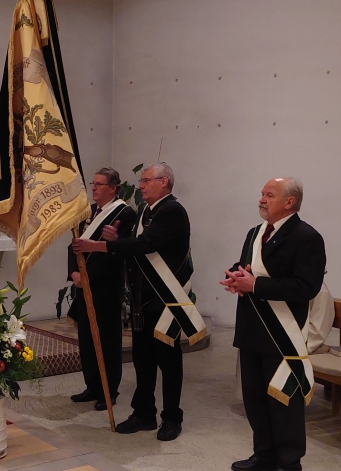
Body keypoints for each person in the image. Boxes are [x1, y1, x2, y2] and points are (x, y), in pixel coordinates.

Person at [73, 163, 204, 441]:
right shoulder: (146, 210)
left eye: (146, 180)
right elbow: (135, 244)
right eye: (141, 181)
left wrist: (101, 245)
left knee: (168, 362)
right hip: (142, 300)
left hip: (164, 300)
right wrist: (116, 238)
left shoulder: (173, 211)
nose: (141, 185)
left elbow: (147, 245)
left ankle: (172, 417)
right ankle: (144, 413)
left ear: (164, 182)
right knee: (143, 360)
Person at [221, 177, 325, 471]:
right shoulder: (255, 233)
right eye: (262, 194)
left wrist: (255, 285)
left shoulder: (306, 237)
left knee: (284, 403)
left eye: (269, 195)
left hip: (282, 334)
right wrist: (236, 277)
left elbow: (306, 287)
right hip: (252, 328)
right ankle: (264, 455)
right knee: (254, 399)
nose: (261, 199)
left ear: (289, 202)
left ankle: (288, 463)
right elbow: (248, 268)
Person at [67, 168, 136, 411]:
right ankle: (93, 386)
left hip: (106, 287)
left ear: (113, 188)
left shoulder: (124, 213)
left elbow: (118, 253)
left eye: (99, 184)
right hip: (83, 284)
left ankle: (109, 391)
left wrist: (88, 277)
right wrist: (74, 273)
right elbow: (74, 246)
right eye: (93, 184)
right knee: (86, 338)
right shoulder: (88, 213)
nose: (94, 188)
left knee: (107, 340)